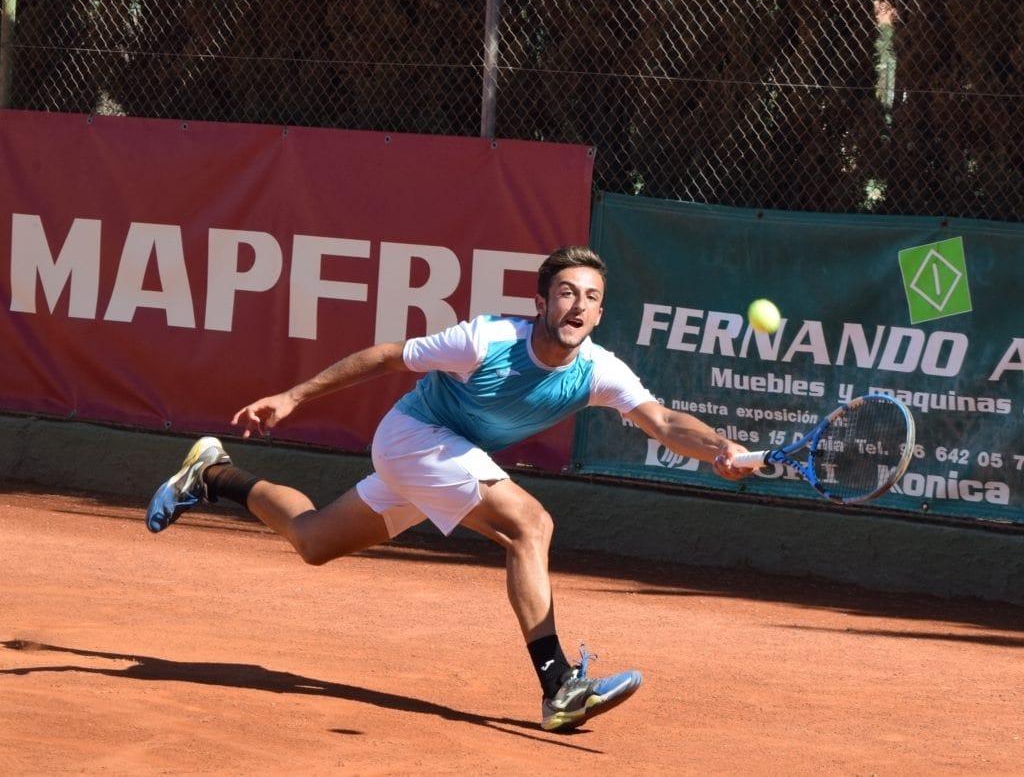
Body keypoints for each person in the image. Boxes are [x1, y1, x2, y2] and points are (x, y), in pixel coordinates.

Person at [145, 245, 752, 732]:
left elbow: (666, 423)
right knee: (530, 525)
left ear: (598, 313)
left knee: (313, 540)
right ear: (540, 300)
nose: (578, 306)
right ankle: (558, 684)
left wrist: (719, 448)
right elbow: (387, 357)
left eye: (591, 299)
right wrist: (293, 396)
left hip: (448, 461)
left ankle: (213, 472)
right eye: (566, 292)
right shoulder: (486, 340)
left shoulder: (600, 369)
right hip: (415, 437)